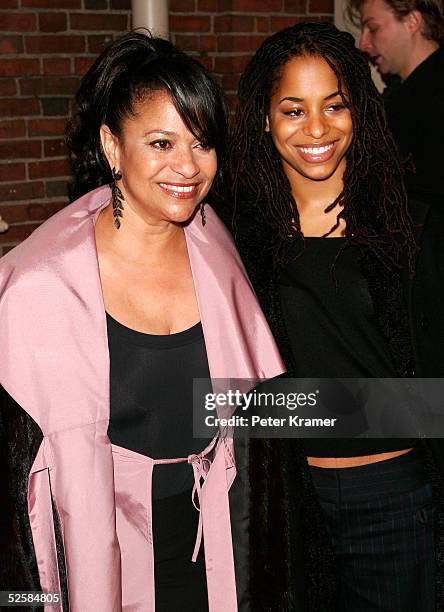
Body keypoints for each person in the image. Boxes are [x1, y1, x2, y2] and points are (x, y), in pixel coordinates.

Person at [0, 32, 284, 611]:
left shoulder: (219, 250)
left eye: (202, 144)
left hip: (218, 558)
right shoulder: (37, 289)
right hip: (100, 566)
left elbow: (259, 423)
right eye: (161, 143)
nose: (187, 167)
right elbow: (13, 505)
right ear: (111, 146)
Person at [219, 21, 444, 611]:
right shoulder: (237, 237)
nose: (316, 129)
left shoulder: (412, 226)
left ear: (359, 112)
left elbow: (435, 399)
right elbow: (221, 396)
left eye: (334, 106)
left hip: (397, 500)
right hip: (290, 503)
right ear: (265, 120)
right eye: (293, 109)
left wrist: (285, 408)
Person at [346, 0, 444, 204]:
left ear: (412, 21)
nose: (363, 44)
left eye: (373, 28)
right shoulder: (398, 96)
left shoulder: (432, 103)